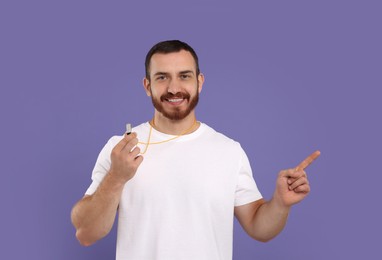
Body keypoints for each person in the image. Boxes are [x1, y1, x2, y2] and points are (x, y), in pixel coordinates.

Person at [71, 40, 320, 260]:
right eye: (162, 77)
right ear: (147, 86)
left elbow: (259, 228)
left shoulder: (228, 151)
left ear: (199, 82)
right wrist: (116, 177)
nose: (173, 88)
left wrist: (280, 203)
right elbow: (86, 233)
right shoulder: (121, 149)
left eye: (184, 76)